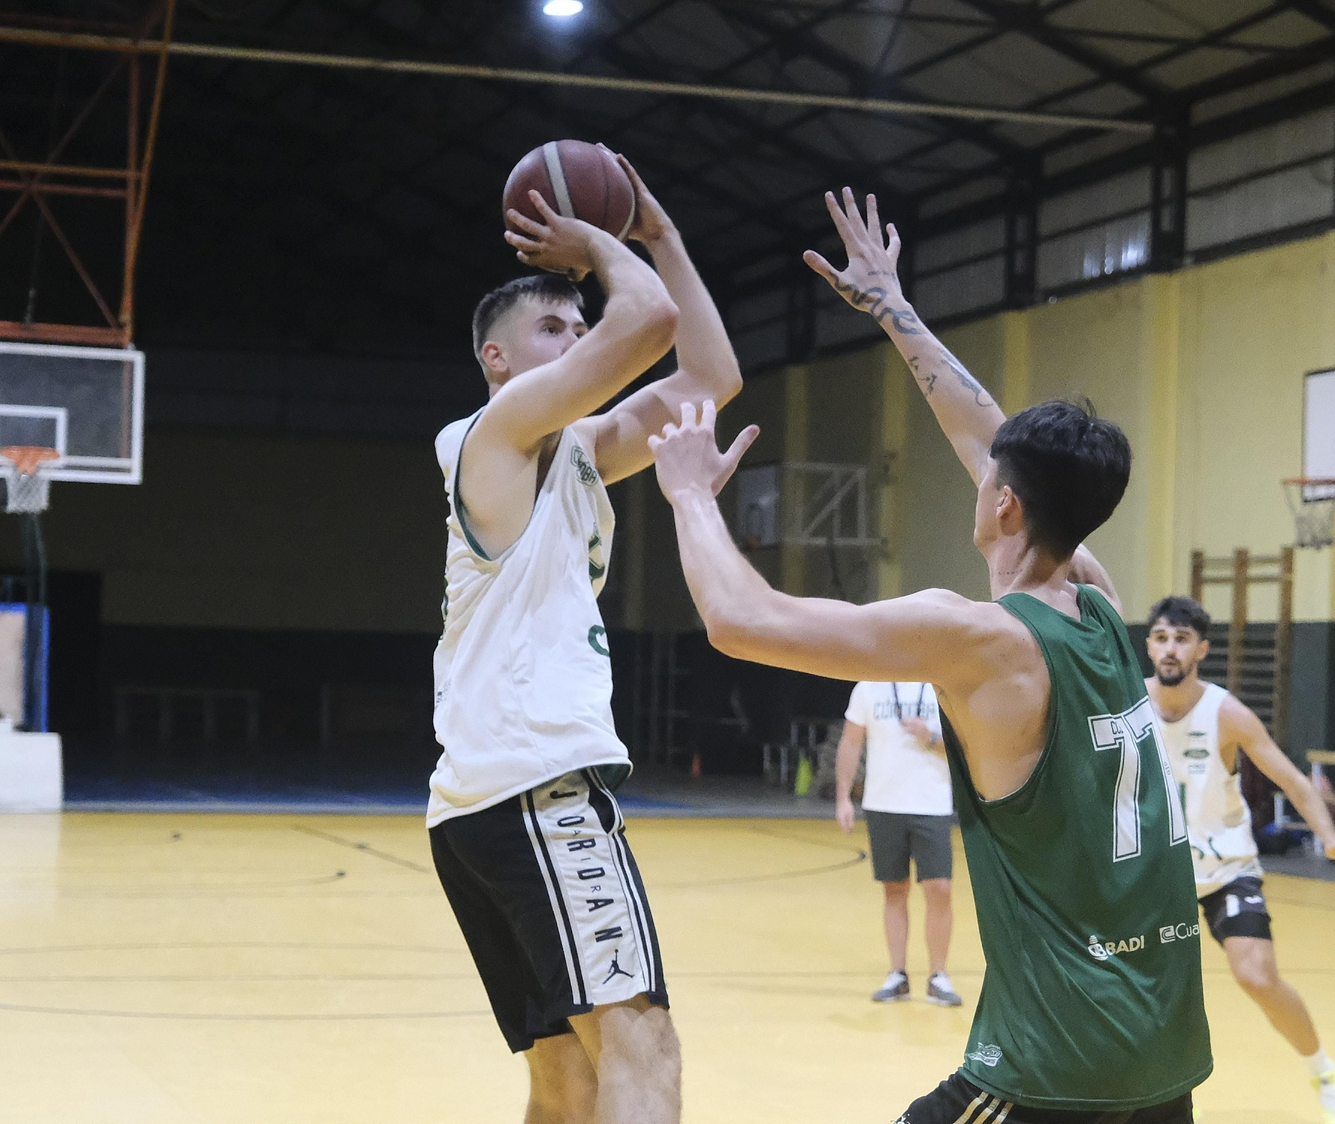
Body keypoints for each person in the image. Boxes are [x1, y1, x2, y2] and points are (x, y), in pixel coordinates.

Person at [645, 187, 1211, 1123]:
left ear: (1002, 507)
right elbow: (990, 435)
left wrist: (690, 497)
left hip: (1056, 1064)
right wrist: (893, 310)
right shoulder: (1107, 612)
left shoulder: (982, 638)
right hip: (1162, 1053)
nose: (979, 469)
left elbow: (744, 621)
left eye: (992, 477)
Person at [426, 154, 742, 1124]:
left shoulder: (577, 453)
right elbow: (642, 323)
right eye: (552, 327)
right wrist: (602, 239)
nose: (577, 336)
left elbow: (709, 375)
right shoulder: (493, 433)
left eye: (576, 322)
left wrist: (662, 230)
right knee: (642, 1050)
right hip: (536, 789)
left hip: (478, 804)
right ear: (498, 358)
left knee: (564, 1084)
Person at [1142, 596, 1335, 1124]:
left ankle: (1323, 1071)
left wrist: (1330, 840)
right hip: (1154, 873)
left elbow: (1292, 781)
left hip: (1224, 867)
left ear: (1201, 648)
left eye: (1181, 639)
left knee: (1257, 976)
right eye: (1161, 637)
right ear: (1149, 644)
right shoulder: (1128, 706)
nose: (1170, 648)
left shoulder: (1224, 713)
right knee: (1135, 986)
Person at [833, 680, 963, 1006]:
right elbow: (850, 742)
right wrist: (842, 798)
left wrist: (930, 736)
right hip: (883, 803)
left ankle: (938, 976)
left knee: (940, 888)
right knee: (894, 889)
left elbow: (965, 744)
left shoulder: (941, 684)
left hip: (931, 803)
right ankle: (898, 974)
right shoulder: (868, 687)